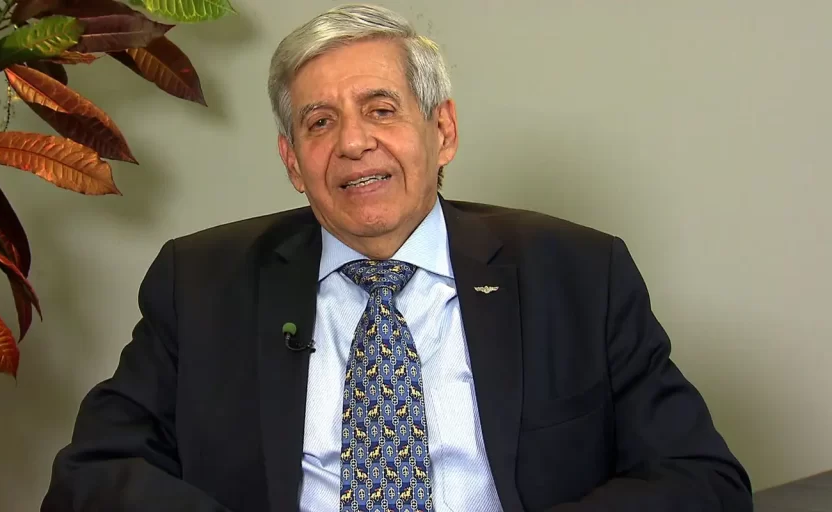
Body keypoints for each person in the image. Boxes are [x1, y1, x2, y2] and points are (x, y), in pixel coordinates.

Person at [41, 4, 752, 511]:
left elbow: (700, 479)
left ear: (443, 131)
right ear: (293, 161)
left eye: (381, 109)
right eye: (320, 123)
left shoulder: (577, 273)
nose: (353, 143)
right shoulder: (200, 282)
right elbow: (94, 474)